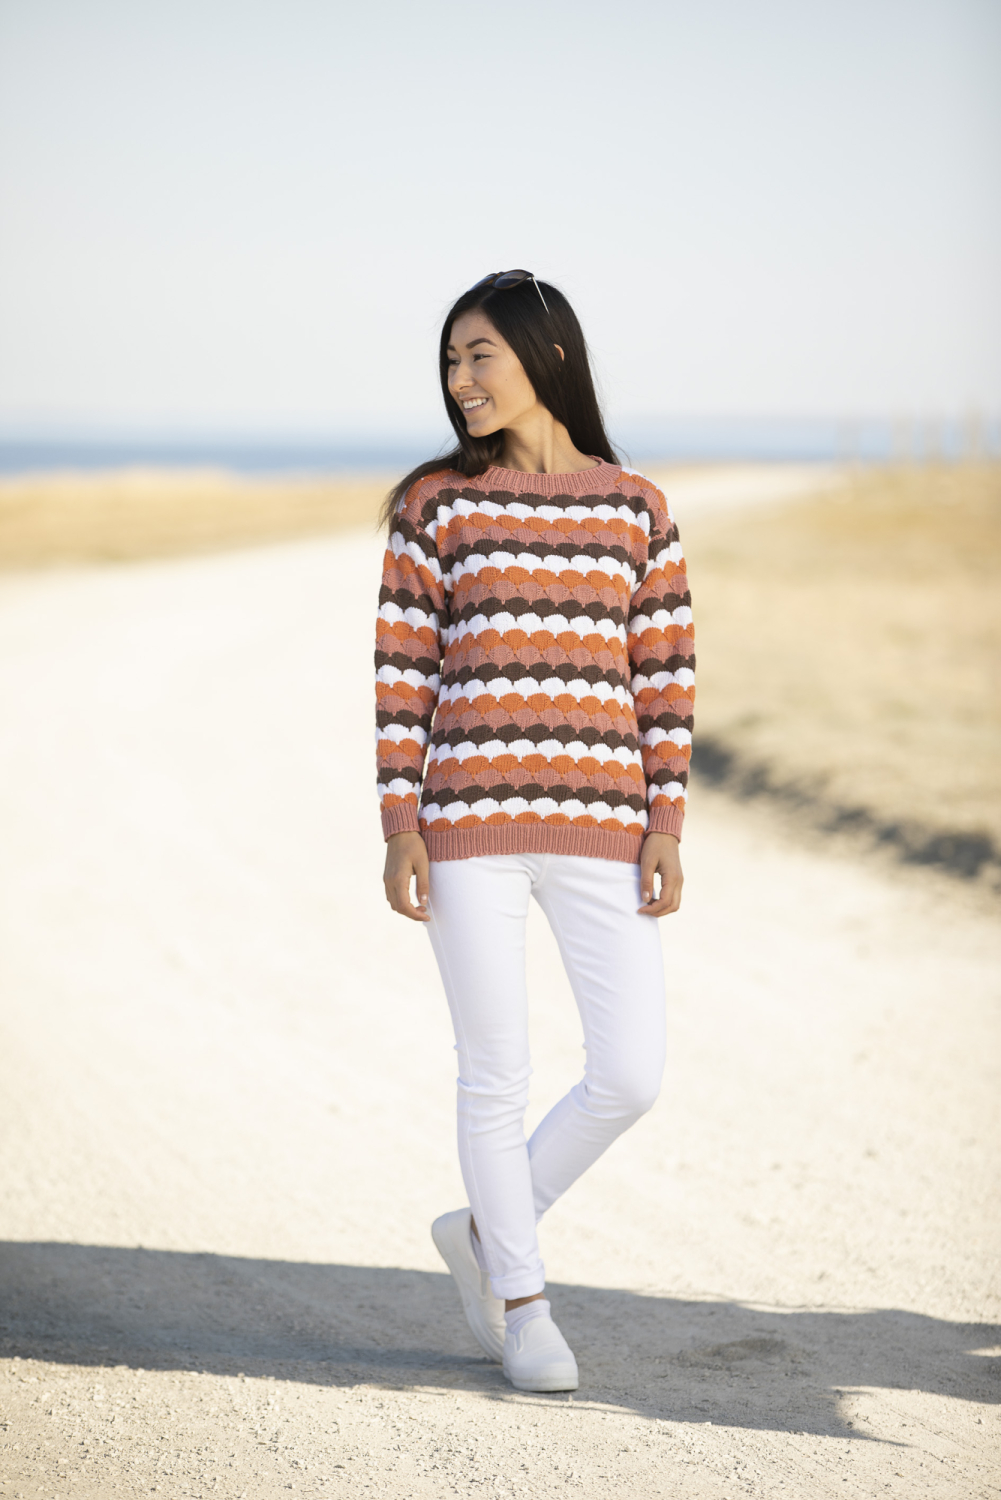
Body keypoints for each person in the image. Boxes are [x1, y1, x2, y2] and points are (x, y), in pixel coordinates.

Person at [374, 271, 694, 1392]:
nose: (460, 380)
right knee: (494, 1071)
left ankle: (480, 1231)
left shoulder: (636, 507)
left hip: (606, 823)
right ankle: (520, 1303)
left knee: (631, 1074)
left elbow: (663, 674)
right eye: (449, 360)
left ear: (545, 354)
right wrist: (399, 821)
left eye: (480, 356)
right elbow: (403, 672)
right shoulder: (434, 506)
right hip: (467, 824)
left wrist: (666, 817)